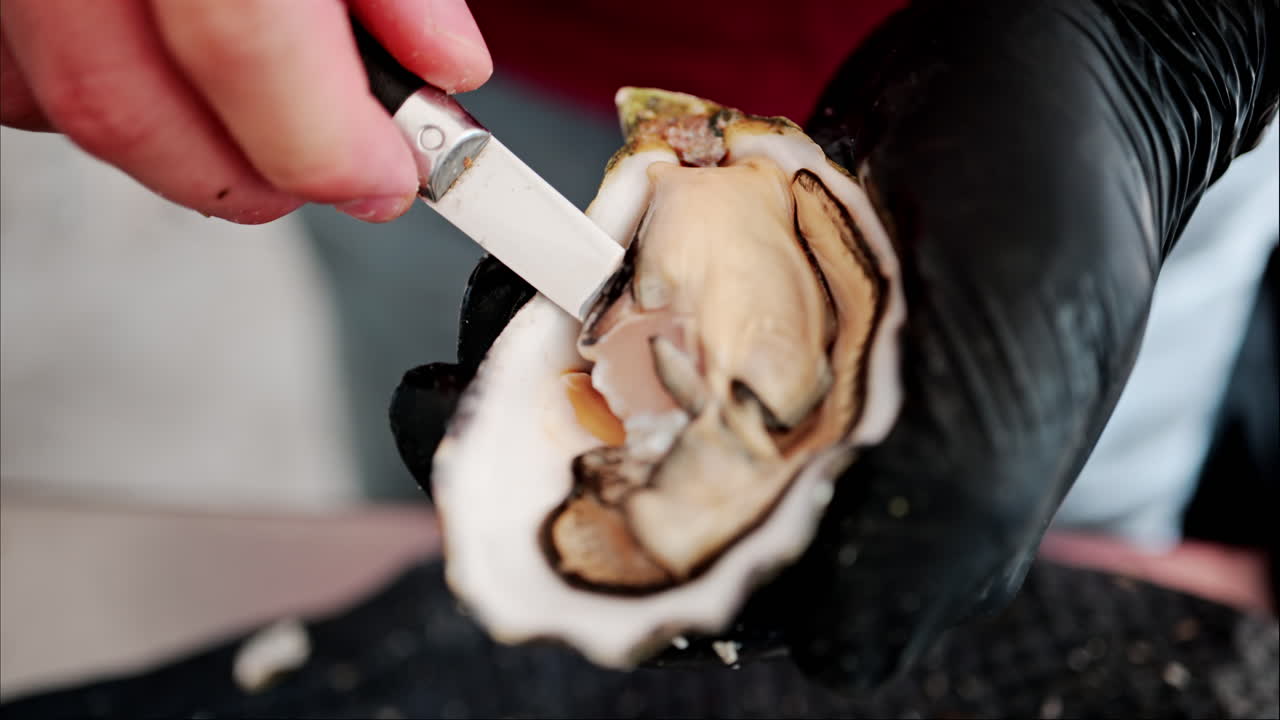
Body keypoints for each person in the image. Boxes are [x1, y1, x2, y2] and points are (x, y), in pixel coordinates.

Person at [3, 0, 1276, 697]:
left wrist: (1182, 30)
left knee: (1061, 505)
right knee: (420, 377)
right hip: (468, 53)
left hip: (1064, 102)